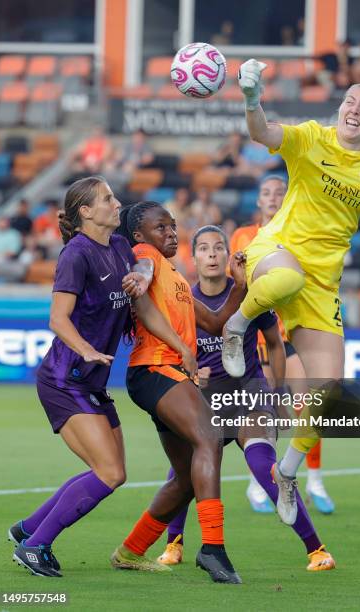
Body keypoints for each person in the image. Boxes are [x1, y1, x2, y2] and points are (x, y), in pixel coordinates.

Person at [222, 58, 360, 525]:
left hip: (324, 282)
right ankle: (236, 327)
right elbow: (263, 135)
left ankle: (287, 472)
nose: (353, 109)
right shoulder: (310, 137)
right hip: (277, 251)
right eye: (349, 101)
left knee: (328, 393)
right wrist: (252, 98)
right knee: (287, 278)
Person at [7, 176, 165, 577]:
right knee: (108, 473)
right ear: (86, 211)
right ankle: (36, 545)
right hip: (66, 379)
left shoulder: (116, 245)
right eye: (108, 199)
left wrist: (143, 272)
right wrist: (88, 350)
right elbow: (57, 319)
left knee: (116, 473)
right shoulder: (76, 254)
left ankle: (27, 528)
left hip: (89, 381)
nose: (117, 204)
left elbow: (144, 260)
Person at [156, 225, 335, 571]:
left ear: (228, 256)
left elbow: (275, 344)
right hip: (206, 399)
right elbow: (175, 355)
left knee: (262, 466)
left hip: (251, 394)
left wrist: (279, 389)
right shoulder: (184, 302)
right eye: (204, 248)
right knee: (183, 471)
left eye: (218, 248)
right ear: (193, 258)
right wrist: (190, 374)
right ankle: (174, 544)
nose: (211, 254)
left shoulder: (252, 297)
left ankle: (317, 548)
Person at [111, 202, 246, 584]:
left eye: (173, 227)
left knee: (187, 478)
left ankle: (130, 551)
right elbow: (142, 271)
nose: (171, 233)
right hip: (154, 369)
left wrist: (243, 283)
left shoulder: (179, 280)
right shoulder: (145, 256)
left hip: (167, 375)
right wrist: (138, 279)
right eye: (161, 227)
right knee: (210, 438)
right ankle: (213, 549)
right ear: (140, 235)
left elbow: (219, 323)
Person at [231, 175, 335, 514]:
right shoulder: (244, 237)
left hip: (289, 334)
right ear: (258, 202)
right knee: (266, 412)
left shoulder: (298, 234)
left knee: (312, 404)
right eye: (266, 192)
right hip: (257, 338)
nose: (273, 197)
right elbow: (239, 284)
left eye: (280, 192)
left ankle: (315, 480)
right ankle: (258, 484)